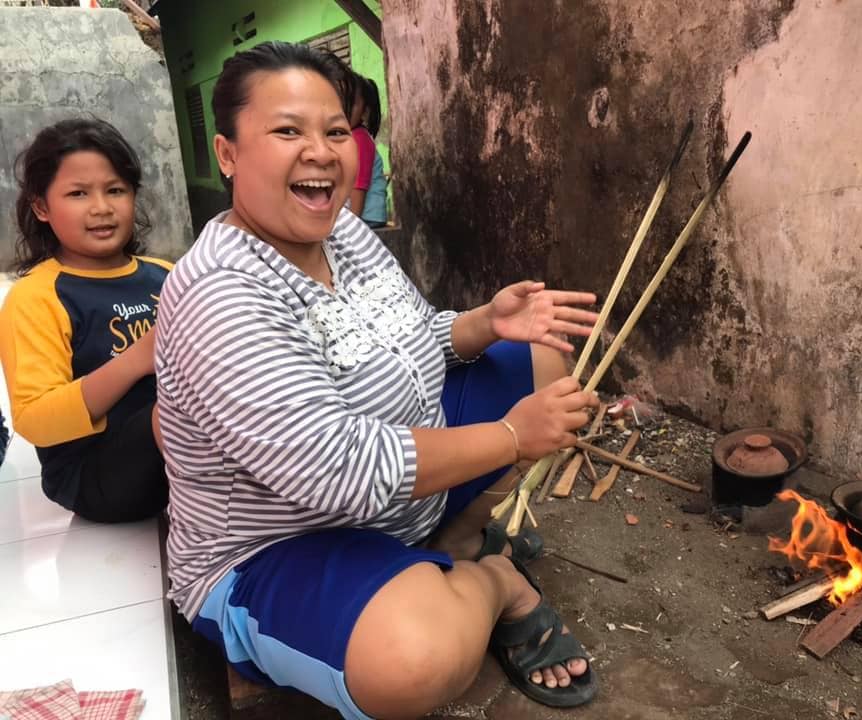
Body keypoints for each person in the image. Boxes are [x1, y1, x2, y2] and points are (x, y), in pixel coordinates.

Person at [155, 42, 601, 719]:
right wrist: (512, 437)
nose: (322, 151)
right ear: (227, 153)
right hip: (274, 545)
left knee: (540, 357)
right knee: (412, 660)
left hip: (395, 501)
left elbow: (411, 339)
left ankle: (446, 542)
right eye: (287, 131)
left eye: (335, 131)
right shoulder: (221, 296)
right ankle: (494, 582)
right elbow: (341, 469)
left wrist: (483, 323)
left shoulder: (343, 236)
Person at [0, 118, 169, 523]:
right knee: (179, 411)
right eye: (78, 193)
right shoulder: (36, 297)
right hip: (93, 474)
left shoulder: (166, 274)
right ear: (42, 207)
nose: (101, 208)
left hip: (177, 459)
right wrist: (137, 359)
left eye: (116, 190)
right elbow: (37, 421)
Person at [349, 74, 389, 228]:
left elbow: (360, 185)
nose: (343, 109)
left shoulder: (359, 139)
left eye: (351, 104)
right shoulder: (350, 137)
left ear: (365, 110)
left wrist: (352, 226)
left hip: (367, 216)